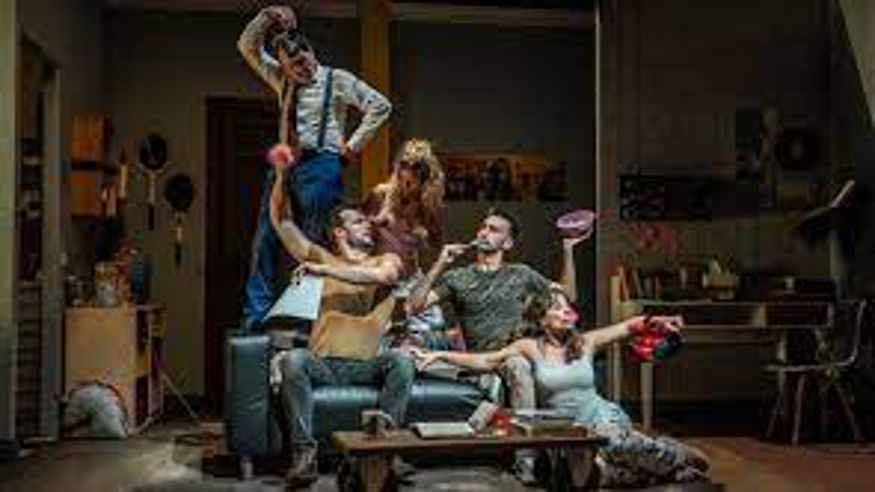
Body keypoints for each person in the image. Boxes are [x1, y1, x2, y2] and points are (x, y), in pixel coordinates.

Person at [412, 269, 711, 487]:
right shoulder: (529, 347)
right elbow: (486, 360)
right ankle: (671, 465)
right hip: (570, 432)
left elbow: (628, 327)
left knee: (613, 443)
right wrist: (439, 356)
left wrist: (656, 321)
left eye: (567, 307)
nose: (566, 311)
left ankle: (677, 457)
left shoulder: (585, 342)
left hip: (603, 419)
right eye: (557, 308)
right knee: (597, 473)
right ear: (542, 319)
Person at [238, 5, 392, 330]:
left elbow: (380, 105)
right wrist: (267, 16)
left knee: (314, 242)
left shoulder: (337, 79)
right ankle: (255, 320)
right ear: (283, 66)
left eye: (306, 60)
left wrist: (353, 146)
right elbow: (248, 47)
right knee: (266, 238)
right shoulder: (281, 79)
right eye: (294, 66)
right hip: (286, 166)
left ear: (312, 52)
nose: (303, 69)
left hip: (322, 165)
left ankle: (310, 321)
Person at [265, 153, 413, 487]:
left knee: (401, 361)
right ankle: (305, 455)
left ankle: (387, 450)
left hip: (367, 365)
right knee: (294, 360)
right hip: (324, 364)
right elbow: (282, 222)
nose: (368, 224)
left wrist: (324, 271)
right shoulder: (321, 256)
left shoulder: (386, 259)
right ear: (339, 232)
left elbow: (385, 277)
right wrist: (281, 176)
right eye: (358, 221)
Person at [405, 208, 552, 482]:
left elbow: (566, 296)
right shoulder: (458, 277)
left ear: (508, 243)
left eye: (494, 229)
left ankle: (526, 461)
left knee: (519, 365)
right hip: (477, 362)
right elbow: (413, 306)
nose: (484, 232)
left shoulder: (522, 274)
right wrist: (440, 263)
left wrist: (567, 249)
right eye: (483, 226)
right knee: (414, 358)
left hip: (511, 356)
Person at [366, 138, 445, 279]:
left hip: (411, 275)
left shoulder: (428, 204)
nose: (408, 171)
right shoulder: (381, 194)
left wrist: (423, 237)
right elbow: (359, 230)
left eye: (416, 166)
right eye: (404, 164)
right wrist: (376, 222)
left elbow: (437, 244)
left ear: (426, 172)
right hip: (382, 271)